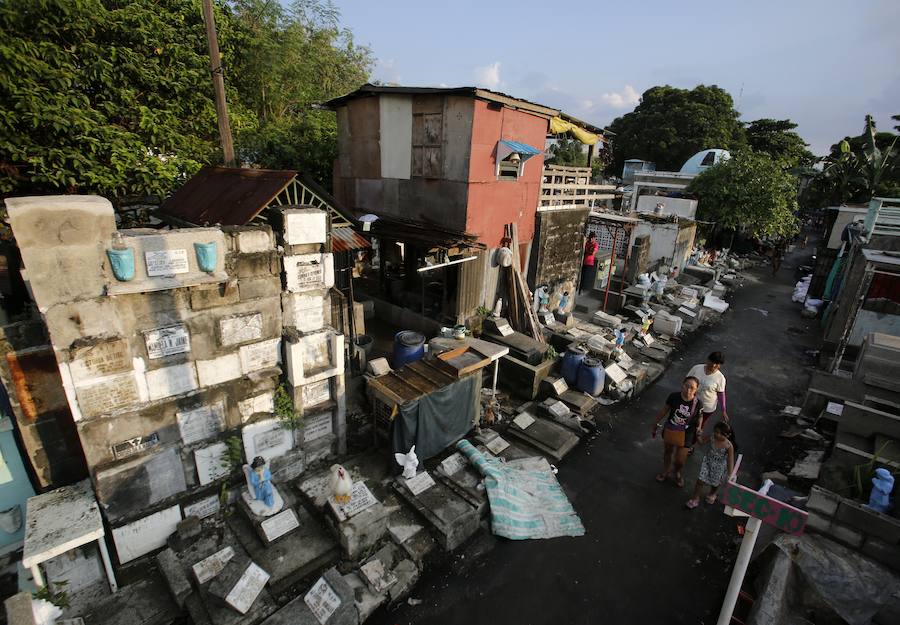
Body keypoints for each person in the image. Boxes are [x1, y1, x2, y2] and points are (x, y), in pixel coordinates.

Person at [652, 376, 701, 488]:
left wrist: (698, 428)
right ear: (682, 385)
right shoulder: (674, 397)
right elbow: (665, 410)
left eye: (692, 388)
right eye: (686, 386)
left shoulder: (698, 403)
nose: (688, 390)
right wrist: (655, 422)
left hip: (687, 433)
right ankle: (666, 470)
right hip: (671, 428)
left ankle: (677, 472)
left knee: (680, 460)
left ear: (696, 389)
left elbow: (700, 416)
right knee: (668, 451)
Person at [685, 421, 735, 509]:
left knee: (715, 483)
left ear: (728, 435)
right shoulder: (712, 437)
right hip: (707, 462)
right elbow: (701, 442)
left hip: (719, 467)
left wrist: (730, 474)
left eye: (721, 434)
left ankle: (712, 493)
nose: (717, 435)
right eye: (716, 432)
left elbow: (730, 460)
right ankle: (695, 498)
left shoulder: (728, 446)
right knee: (700, 480)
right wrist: (698, 435)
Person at [687, 351, 729, 446]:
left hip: (706, 407)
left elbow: (721, 394)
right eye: (712, 362)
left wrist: (723, 410)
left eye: (717, 364)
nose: (713, 365)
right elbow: (686, 381)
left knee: (698, 426)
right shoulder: (697, 368)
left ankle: (690, 445)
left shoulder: (720, 378)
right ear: (708, 360)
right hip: (690, 402)